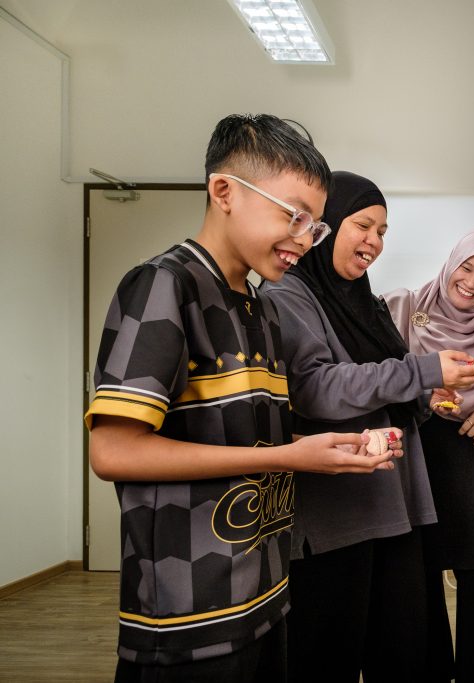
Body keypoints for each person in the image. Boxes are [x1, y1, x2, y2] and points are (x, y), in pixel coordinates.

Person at [85, 114, 398, 683]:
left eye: (315, 227)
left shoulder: (264, 305)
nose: (304, 239)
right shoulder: (163, 286)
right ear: (224, 191)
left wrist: (324, 449)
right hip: (190, 615)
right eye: (292, 215)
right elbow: (114, 452)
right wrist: (285, 457)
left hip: (268, 595)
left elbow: (248, 438)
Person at [259, 171, 474, 681]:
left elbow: (386, 389)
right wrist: (422, 371)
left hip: (396, 504)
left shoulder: (365, 305)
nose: (374, 242)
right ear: (326, 224)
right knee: (327, 658)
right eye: (363, 225)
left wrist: (427, 395)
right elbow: (314, 388)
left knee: (404, 654)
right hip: (340, 520)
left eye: (383, 231)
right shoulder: (289, 297)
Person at [385, 228, 474, 682]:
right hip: (415, 462)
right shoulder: (404, 311)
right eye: (466, 268)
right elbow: (380, 384)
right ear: (451, 263)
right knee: (414, 588)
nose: (472, 282)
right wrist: (422, 397)